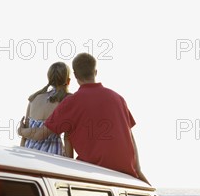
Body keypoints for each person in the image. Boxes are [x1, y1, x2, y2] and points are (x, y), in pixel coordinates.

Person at [18, 53, 149, 184]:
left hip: (93, 172)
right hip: (126, 173)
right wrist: (138, 170)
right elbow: (130, 136)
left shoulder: (71, 102)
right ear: (95, 72)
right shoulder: (118, 98)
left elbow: (42, 134)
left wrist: (21, 131)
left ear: (75, 76)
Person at [20, 62, 73, 157]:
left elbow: (25, 136)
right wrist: (70, 165)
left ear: (49, 79)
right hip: (52, 156)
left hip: (28, 154)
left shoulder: (34, 98)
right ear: (68, 81)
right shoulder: (67, 99)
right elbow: (67, 138)